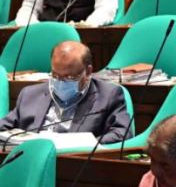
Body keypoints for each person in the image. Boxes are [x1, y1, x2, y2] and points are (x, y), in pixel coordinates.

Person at [0, 42, 131, 144]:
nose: (61, 82)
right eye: (56, 75)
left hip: (76, 164)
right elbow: (3, 127)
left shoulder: (108, 95)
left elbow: (122, 133)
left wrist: (85, 143)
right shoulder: (30, 94)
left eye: (69, 77)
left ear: (88, 71)